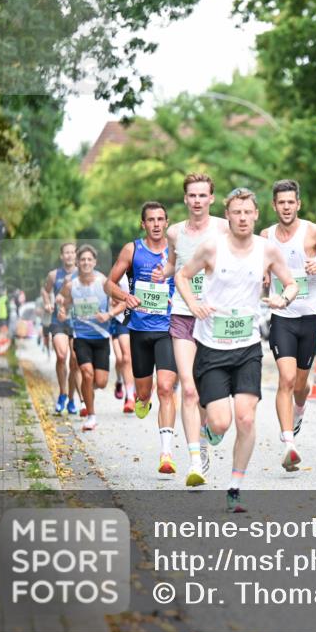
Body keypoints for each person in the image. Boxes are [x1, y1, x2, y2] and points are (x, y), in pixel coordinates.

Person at [176, 188, 298, 511]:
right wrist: (193, 303)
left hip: (247, 348)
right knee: (220, 422)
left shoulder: (267, 250)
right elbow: (182, 276)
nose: (242, 218)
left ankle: (234, 488)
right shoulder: (212, 247)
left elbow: (292, 283)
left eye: (248, 212)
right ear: (227, 216)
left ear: (257, 215)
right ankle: (206, 434)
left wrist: (283, 300)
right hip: (213, 348)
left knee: (245, 419)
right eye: (236, 212)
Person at [261, 179, 316, 472]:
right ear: (274, 205)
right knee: (285, 379)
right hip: (282, 318)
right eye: (280, 202)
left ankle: (298, 413)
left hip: (309, 317)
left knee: (300, 386)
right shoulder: (266, 236)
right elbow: (262, 271)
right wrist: (263, 283)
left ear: (298, 204)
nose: (286, 207)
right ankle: (289, 445)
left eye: (290, 202)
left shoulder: (313, 232)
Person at [164, 172, 228, 485]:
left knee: (206, 393)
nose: (197, 201)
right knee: (188, 388)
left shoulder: (224, 227)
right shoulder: (174, 232)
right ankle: (194, 461)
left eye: (203, 195)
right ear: (185, 198)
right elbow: (174, 265)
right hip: (182, 313)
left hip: (215, 317)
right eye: (192, 195)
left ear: (211, 198)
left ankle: (205, 435)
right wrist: (156, 273)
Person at [106, 202, 179, 476]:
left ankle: (166, 453)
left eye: (161, 219)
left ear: (167, 222)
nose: (157, 224)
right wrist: (126, 297)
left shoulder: (177, 251)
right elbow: (109, 284)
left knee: (166, 388)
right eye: (151, 220)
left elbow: (195, 278)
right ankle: (141, 398)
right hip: (138, 330)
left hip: (168, 329)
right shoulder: (132, 250)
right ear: (143, 224)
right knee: (146, 392)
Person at [57, 245, 124, 431]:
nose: (86, 263)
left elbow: (123, 303)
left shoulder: (103, 282)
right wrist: (62, 311)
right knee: (87, 373)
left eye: (89, 259)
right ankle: (91, 416)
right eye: (83, 260)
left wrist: (109, 314)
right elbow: (62, 302)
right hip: (81, 337)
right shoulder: (71, 285)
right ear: (78, 263)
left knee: (100, 382)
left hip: (101, 337)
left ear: (94, 262)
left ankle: (87, 393)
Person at [43, 243, 81, 414]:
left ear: (76, 255)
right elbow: (45, 291)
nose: (70, 255)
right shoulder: (54, 275)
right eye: (66, 253)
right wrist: (47, 303)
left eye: (72, 252)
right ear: (61, 256)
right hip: (58, 321)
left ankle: (72, 399)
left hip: (78, 321)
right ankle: (62, 393)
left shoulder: (83, 273)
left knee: (75, 362)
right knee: (61, 355)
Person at [109, 273, 136, 413]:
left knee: (134, 359)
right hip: (121, 319)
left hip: (141, 319)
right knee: (124, 358)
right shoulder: (120, 272)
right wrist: (115, 301)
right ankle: (130, 396)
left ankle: (133, 389)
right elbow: (110, 288)